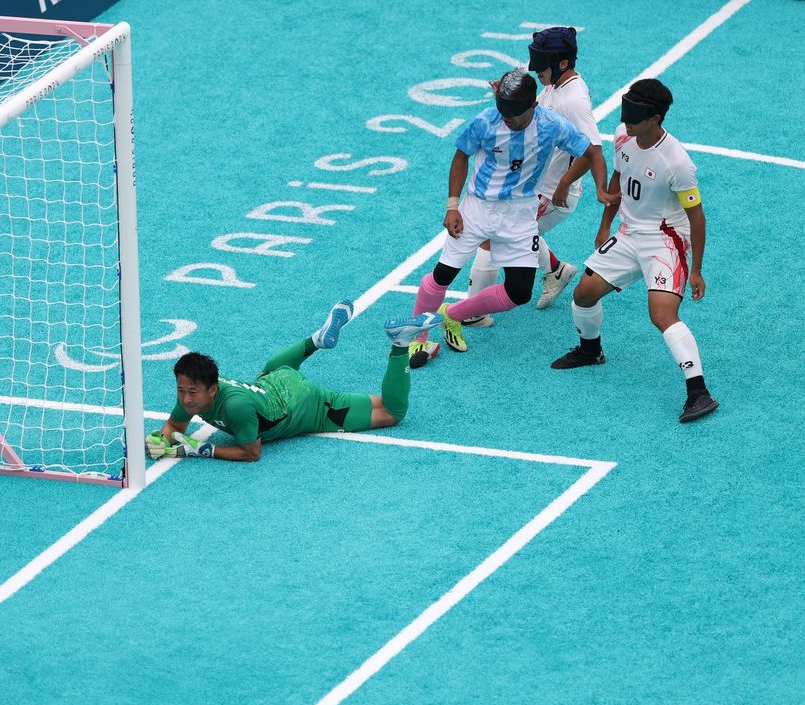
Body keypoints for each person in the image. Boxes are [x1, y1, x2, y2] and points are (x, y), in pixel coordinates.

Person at [406, 66, 615, 369]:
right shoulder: (485, 122)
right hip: (477, 208)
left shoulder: (552, 126)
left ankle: (454, 314)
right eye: (503, 112)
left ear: (533, 105)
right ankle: (418, 337)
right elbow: (461, 155)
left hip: (520, 215)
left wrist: (589, 185)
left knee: (519, 292)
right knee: (443, 274)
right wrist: (453, 205)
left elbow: (591, 151)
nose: (508, 120)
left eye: (515, 114)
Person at [550, 79, 719, 423]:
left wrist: (696, 269)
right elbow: (619, 178)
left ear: (655, 118)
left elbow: (696, 217)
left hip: (665, 240)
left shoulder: (677, 162)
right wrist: (604, 225)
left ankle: (698, 391)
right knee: (583, 294)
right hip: (629, 234)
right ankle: (590, 350)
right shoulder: (623, 136)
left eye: (635, 115)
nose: (627, 119)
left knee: (661, 315)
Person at [146, 301, 443, 461]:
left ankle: (400, 343)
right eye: (181, 390)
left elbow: (251, 452)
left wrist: (201, 449)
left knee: (390, 412)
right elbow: (175, 426)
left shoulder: (235, 407)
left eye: (192, 393)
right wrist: (162, 439)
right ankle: (315, 340)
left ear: (213, 389)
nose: (185, 399)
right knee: (267, 372)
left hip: (303, 402)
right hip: (274, 379)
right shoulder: (193, 389)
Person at [464, 26, 603, 328]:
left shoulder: (573, 101)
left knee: (493, 237)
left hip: (553, 193)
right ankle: (555, 269)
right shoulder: (555, 86)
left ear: (562, 63)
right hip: (535, 187)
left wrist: (565, 183)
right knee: (516, 232)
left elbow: (592, 149)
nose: (536, 71)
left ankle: (472, 314)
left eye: (541, 65)